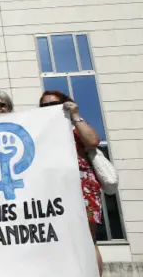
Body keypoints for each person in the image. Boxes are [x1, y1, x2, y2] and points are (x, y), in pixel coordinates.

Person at [39, 90, 103, 275]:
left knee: (88, 241)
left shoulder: (75, 125)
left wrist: (75, 115)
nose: (49, 108)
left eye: (54, 104)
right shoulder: (42, 129)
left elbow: (92, 141)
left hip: (82, 186)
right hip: (55, 187)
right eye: (45, 105)